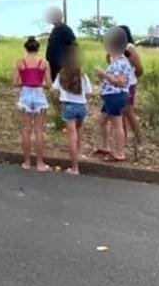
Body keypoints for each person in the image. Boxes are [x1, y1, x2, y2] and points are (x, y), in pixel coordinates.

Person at [95, 27, 136, 162]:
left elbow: (120, 82)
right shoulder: (116, 61)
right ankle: (105, 146)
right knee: (102, 121)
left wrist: (104, 74)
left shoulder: (121, 63)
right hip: (110, 96)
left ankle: (119, 153)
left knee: (117, 124)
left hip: (116, 95)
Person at [13, 36, 52, 171]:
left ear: (26, 48)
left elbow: (15, 82)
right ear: (37, 48)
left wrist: (26, 82)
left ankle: (27, 162)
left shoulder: (20, 63)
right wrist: (38, 82)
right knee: (39, 130)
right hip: (39, 94)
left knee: (26, 130)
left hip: (25, 94)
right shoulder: (44, 63)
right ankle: (40, 163)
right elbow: (49, 84)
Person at [53, 46, 91, 175]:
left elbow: (55, 91)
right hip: (82, 106)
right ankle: (78, 156)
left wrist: (58, 105)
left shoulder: (61, 75)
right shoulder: (83, 76)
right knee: (79, 134)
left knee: (71, 137)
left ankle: (74, 167)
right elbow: (88, 93)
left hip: (68, 106)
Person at [44, 7, 76, 83]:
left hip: (62, 64)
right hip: (53, 63)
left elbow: (74, 45)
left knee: (63, 83)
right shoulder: (54, 30)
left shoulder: (65, 29)